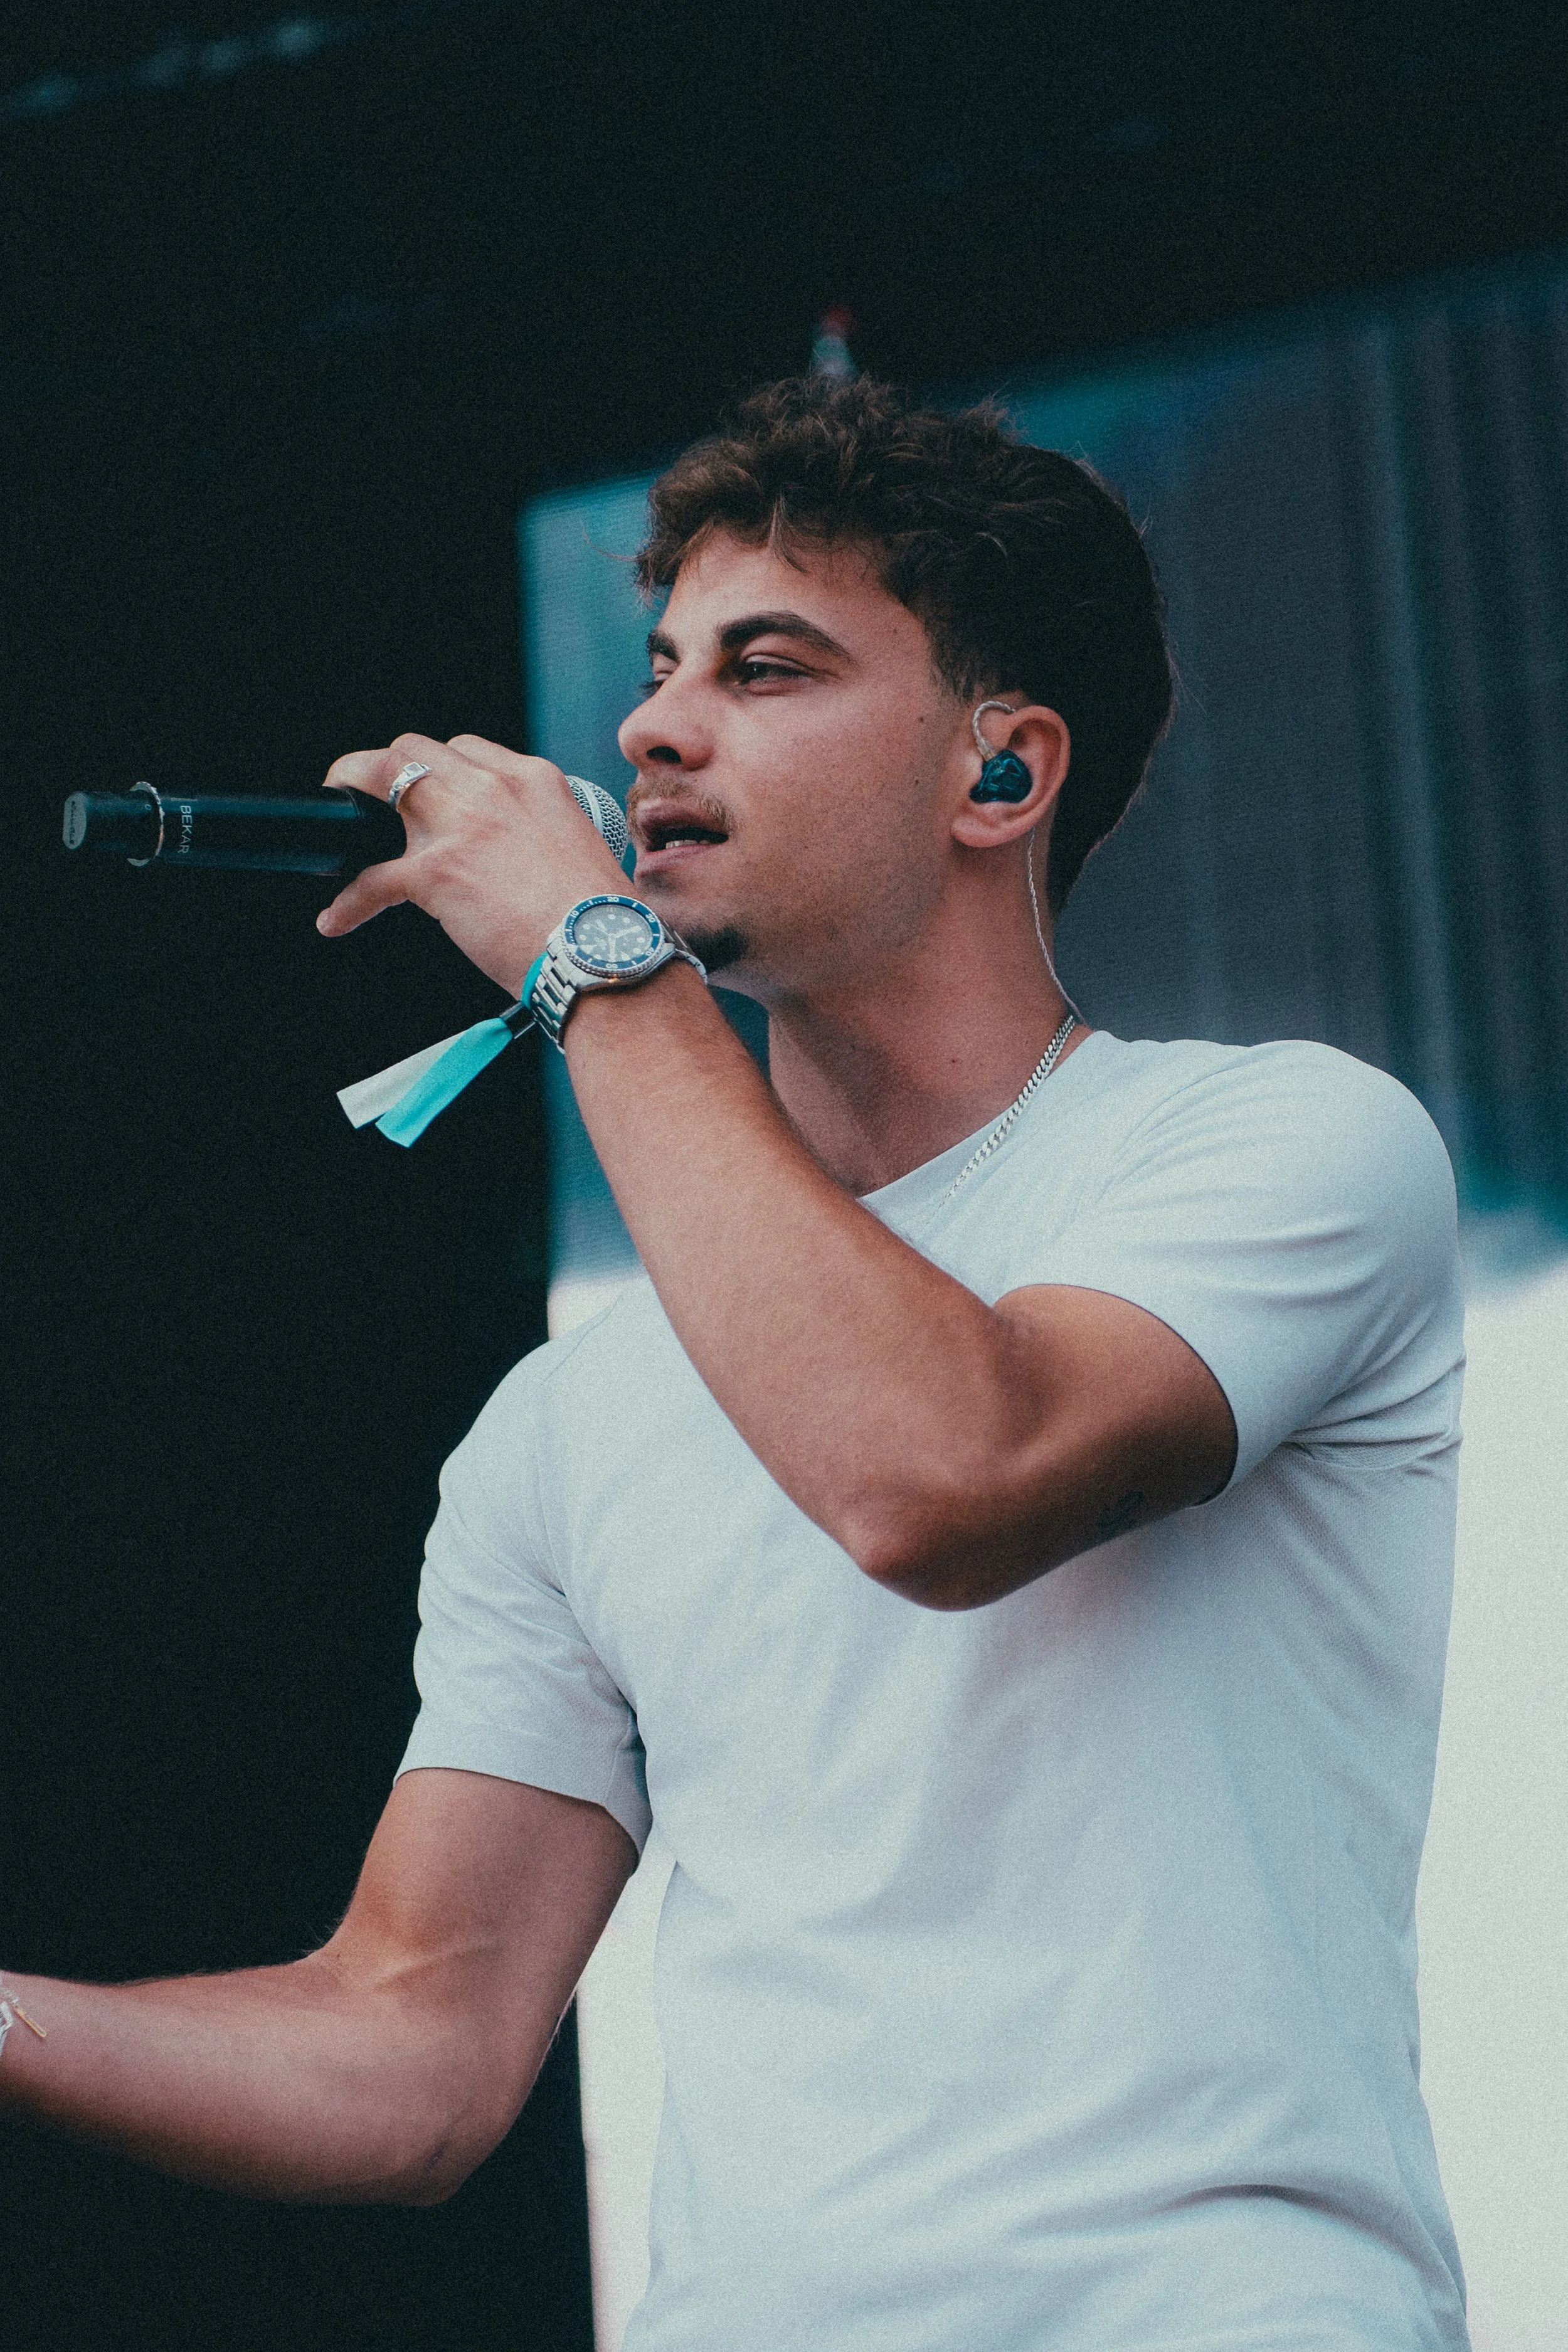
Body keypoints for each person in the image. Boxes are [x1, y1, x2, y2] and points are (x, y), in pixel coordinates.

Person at [0, 378, 1469, 2350]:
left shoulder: (1277, 1144)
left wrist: (586, 963)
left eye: (764, 670)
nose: (647, 728)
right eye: (658, 665)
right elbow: (413, 2044)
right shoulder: (571, 1424)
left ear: (1001, 776)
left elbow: (941, 1471)